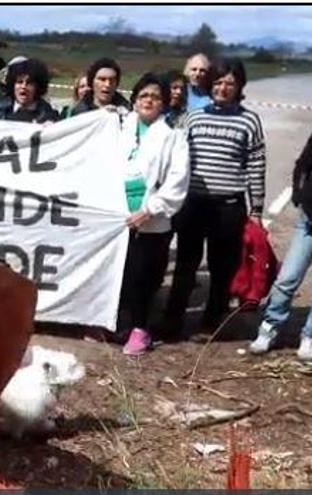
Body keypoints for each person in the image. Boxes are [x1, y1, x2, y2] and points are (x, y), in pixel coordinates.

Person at [163, 57, 267, 340]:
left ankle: (210, 324)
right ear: (210, 85)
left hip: (229, 206)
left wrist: (256, 209)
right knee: (185, 266)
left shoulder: (250, 121)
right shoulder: (194, 117)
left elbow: (256, 166)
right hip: (193, 204)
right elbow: (178, 160)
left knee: (222, 269)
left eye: (230, 84)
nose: (223, 88)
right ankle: (171, 323)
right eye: (218, 82)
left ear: (240, 86)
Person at [117, 73, 190, 355]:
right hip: (118, 218)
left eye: (155, 97)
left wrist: (150, 210)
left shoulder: (174, 138)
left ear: (164, 104)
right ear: (134, 100)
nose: (149, 101)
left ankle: (140, 329)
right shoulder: (118, 129)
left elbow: (177, 181)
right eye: (144, 95)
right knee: (120, 274)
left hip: (152, 220)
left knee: (145, 278)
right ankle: (116, 323)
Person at [249, 132, 312, 360]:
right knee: (287, 279)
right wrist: (298, 194)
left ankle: (309, 337)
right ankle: (269, 327)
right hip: (308, 223)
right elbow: (302, 165)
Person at [0, 58, 60, 123]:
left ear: (38, 87)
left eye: (29, 83)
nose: (23, 86)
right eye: (19, 82)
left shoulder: (48, 115)